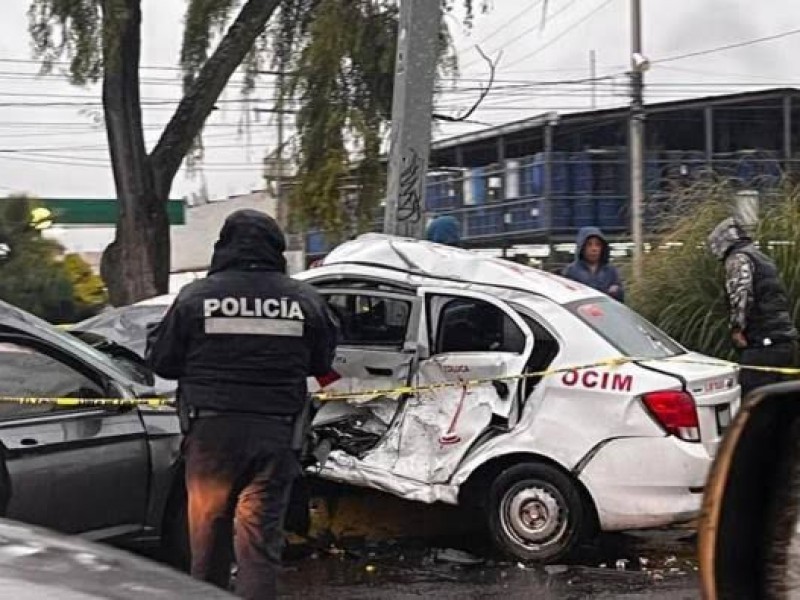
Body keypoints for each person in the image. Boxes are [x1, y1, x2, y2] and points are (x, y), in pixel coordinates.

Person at [146, 209, 338, 600]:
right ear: (275, 249)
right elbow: (323, 361)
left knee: (208, 541)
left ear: (225, 246)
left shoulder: (195, 297)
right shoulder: (304, 299)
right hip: (276, 433)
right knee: (259, 545)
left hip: (211, 436)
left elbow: (162, 361)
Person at [707, 217, 797, 397]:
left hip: (762, 342)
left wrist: (736, 328)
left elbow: (741, 294)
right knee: (781, 403)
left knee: (753, 399)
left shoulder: (738, 258)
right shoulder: (761, 257)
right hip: (783, 340)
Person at [562, 226, 625, 302]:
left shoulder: (611, 271)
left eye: (598, 244)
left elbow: (621, 299)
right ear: (581, 247)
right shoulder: (571, 271)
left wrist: (617, 291)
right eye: (589, 244)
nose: (594, 249)